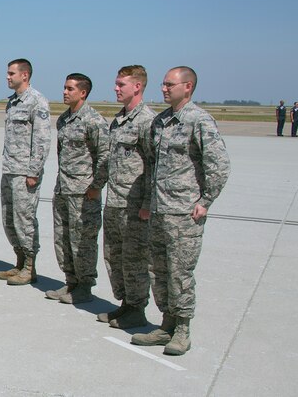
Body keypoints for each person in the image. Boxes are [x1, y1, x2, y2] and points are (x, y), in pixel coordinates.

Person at [133, 67, 230, 356]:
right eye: (162, 84)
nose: (164, 89)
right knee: (158, 270)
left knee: (179, 273)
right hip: (160, 211)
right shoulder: (160, 122)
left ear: (187, 87)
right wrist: (149, 203)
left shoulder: (198, 120)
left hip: (184, 215)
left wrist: (206, 201)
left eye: (170, 84)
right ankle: (166, 323)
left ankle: (183, 329)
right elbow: (151, 168)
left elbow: (219, 165)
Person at [96, 65, 157, 328]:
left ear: (138, 87)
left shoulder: (148, 122)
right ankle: (126, 304)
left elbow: (154, 166)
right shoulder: (118, 120)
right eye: (116, 83)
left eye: (121, 84)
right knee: (115, 256)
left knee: (135, 258)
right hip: (115, 201)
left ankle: (137, 308)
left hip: (134, 207)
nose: (116, 88)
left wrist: (146, 204)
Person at [46, 73, 108, 304]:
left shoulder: (93, 121)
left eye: (70, 88)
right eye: (64, 87)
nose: (65, 92)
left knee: (82, 240)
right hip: (63, 189)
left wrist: (96, 186)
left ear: (83, 92)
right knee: (62, 239)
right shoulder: (63, 120)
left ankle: (85, 286)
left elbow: (104, 155)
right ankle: (71, 282)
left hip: (84, 193)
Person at [0, 58, 51, 285]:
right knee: (9, 219)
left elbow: (41, 140)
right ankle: (19, 261)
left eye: (11, 73)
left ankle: (29, 267)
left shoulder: (36, 101)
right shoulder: (12, 102)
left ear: (25, 75)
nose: (8, 77)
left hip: (25, 173)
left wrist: (33, 171)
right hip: (10, 169)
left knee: (24, 220)